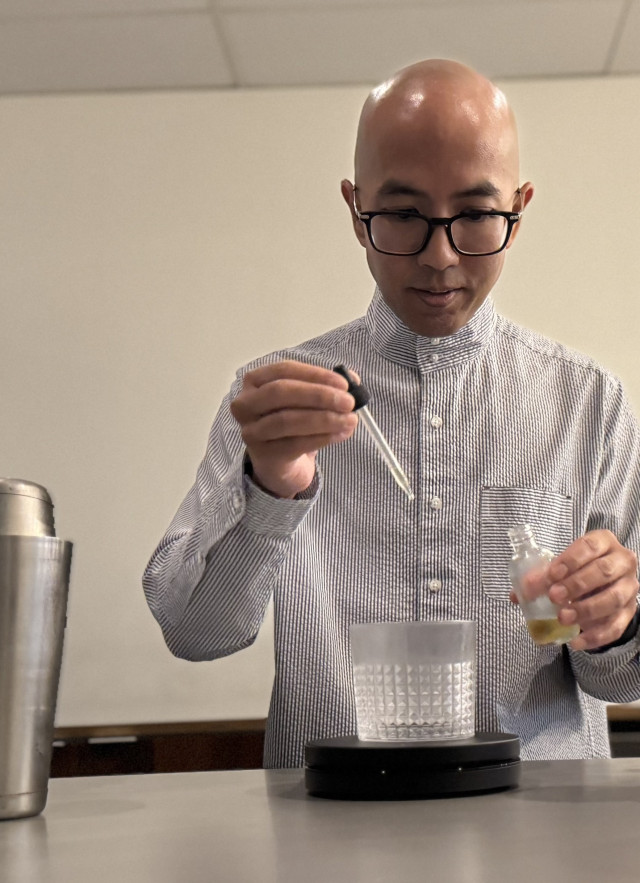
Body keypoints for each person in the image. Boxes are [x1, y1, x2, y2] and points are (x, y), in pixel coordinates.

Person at [143, 59, 640, 768]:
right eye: (404, 214)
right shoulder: (275, 406)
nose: (440, 257)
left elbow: (619, 678)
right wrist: (268, 489)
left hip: (538, 843)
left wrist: (617, 623)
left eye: (474, 214)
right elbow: (195, 633)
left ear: (519, 208)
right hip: (332, 841)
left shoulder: (590, 404)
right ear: (355, 208)